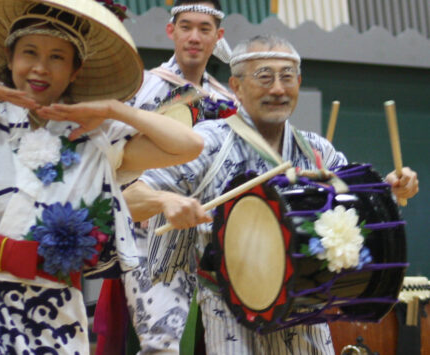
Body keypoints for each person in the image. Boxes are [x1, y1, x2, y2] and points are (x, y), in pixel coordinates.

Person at [0, 0, 204, 353]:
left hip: (55, 308)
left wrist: (115, 109)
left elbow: (188, 146)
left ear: (76, 71)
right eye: (29, 52)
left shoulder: (95, 136)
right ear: (10, 58)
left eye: (57, 57)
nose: (40, 68)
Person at [122, 34, 419, 354]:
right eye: (264, 76)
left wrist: (393, 188)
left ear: (299, 83)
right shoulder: (206, 143)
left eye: (287, 76)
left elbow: (357, 204)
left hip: (307, 312)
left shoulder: (316, 150)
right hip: (232, 312)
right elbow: (126, 198)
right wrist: (164, 201)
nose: (278, 88)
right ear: (235, 86)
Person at [105, 1, 237, 354]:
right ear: (171, 31)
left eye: (204, 29)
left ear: (218, 36)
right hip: (150, 230)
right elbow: (113, 159)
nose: (194, 37)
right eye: (186, 27)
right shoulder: (141, 88)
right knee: (160, 341)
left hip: (210, 234)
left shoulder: (229, 101)